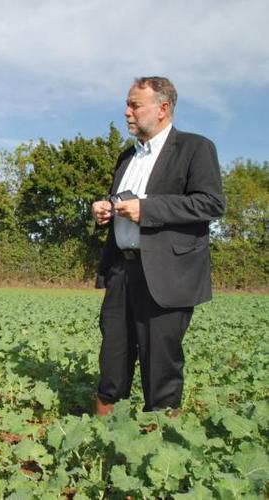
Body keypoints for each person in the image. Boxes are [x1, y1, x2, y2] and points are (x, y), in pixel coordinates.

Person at [91, 77, 225, 415]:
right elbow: (125, 204)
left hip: (167, 274)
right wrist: (106, 210)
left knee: (160, 367)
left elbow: (210, 204)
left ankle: (158, 444)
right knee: (112, 360)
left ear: (162, 108)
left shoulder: (195, 148)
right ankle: (103, 440)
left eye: (135, 105)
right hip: (122, 269)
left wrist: (146, 208)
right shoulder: (127, 157)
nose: (127, 112)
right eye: (128, 104)